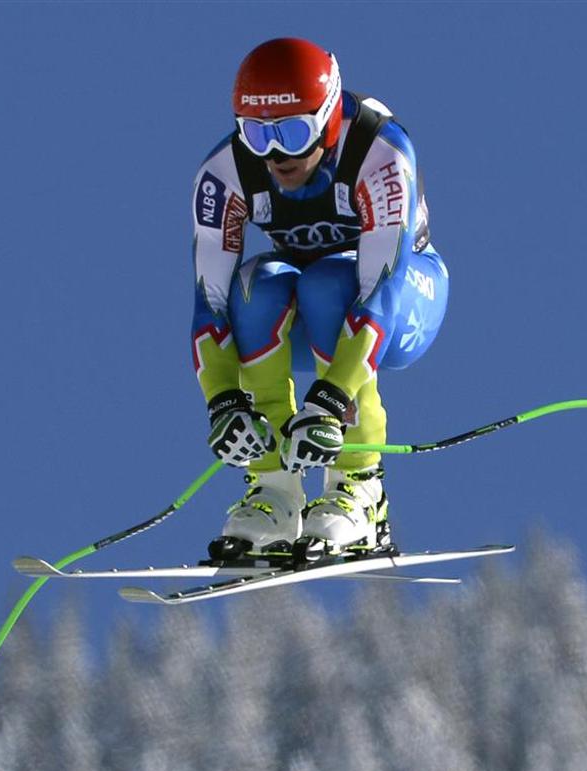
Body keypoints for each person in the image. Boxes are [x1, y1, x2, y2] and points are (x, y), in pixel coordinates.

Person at [191, 37, 449, 562]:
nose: (275, 155)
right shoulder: (225, 172)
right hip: (315, 313)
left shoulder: (378, 153)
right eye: (257, 134)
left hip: (404, 299)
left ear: (328, 120)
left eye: (292, 133)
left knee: (330, 282)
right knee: (253, 287)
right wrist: (223, 401)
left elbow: (380, 291)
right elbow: (208, 303)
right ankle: (274, 491)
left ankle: (360, 487)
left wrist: (329, 401)